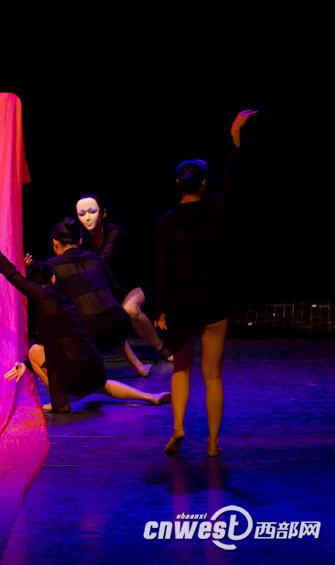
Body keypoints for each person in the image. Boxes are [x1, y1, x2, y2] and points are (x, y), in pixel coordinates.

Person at [0, 226, 170, 413]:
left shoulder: (45, 299)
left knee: (34, 351)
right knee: (103, 386)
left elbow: (12, 275)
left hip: (74, 371)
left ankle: (60, 402)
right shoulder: (64, 300)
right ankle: (149, 396)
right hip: (94, 365)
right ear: (53, 279)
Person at [156, 109, 257, 457]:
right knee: (213, 375)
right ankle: (213, 444)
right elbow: (233, 178)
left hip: (181, 304)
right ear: (204, 185)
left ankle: (178, 428)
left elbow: (162, 269)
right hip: (213, 302)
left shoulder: (166, 223)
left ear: (178, 184)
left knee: (181, 369)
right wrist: (235, 136)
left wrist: (160, 309)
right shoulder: (214, 212)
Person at [39, 218, 152, 377]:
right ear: (80, 241)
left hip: (89, 332)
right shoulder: (95, 258)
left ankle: (80, 378)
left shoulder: (52, 265)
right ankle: (139, 366)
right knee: (105, 317)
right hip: (120, 324)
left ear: (55, 243)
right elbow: (115, 290)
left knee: (85, 322)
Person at [77, 194, 168, 360]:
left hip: (137, 283)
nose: (87, 218)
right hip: (113, 288)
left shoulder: (115, 232)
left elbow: (103, 261)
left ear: (103, 213)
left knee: (130, 310)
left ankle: (162, 348)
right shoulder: (82, 237)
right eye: (82, 214)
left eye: (92, 212)